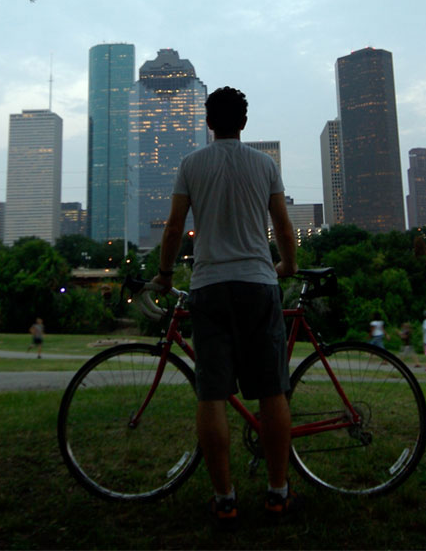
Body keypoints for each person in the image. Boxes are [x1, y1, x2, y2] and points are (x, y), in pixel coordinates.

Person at [150, 86, 299, 530]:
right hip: (258, 284)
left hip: (209, 288)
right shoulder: (265, 164)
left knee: (212, 394)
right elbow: (283, 225)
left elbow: (175, 226)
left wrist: (164, 272)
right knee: (273, 391)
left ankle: (225, 500)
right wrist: (287, 265)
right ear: (244, 123)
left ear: (209, 123)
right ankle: (277, 494)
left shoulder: (191, 165)